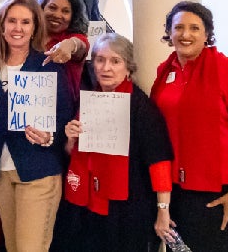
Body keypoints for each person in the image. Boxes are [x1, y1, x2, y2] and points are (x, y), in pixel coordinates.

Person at [150, 1, 228, 251]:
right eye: (178, 27)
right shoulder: (164, 71)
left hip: (217, 193)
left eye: (194, 28)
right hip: (174, 190)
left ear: (207, 33)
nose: (185, 35)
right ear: (169, 32)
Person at [55, 33, 173, 252]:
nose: (105, 67)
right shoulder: (90, 99)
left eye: (115, 61)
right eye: (100, 59)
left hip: (126, 209)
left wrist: (163, 210)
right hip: (87, 205)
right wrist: (70, 139)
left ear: (128, 68)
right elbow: (73, 153)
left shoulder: (141, 107)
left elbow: (159, 161)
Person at [0, 0, 73, 252]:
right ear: (2, 26)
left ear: (34, 28)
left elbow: (64, 117)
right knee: (13, 247)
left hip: (38, 170)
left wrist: (49, 137)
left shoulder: (48, 66)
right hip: (1, 172)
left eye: (25, 22)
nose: (17, 28)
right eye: (12, 21)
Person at [40, 0, 91, 98]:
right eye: (52, 8)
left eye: (65, 11)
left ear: (73, 16)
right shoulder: (29, 36)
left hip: (63, 110)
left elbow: (81, 45)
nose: (58, 15)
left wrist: (69, 44)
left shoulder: (75, 37)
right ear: (41, 8)